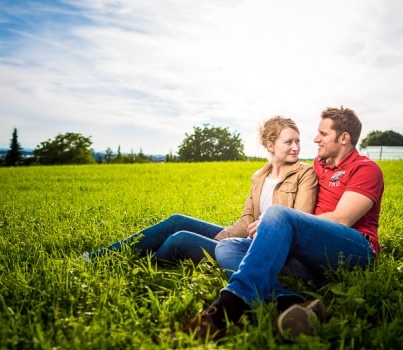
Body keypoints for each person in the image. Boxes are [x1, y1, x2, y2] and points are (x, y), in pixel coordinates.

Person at [182, 106, 384, 341]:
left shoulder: (366, 169)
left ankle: (226, 308)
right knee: (228, 247)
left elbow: (342, 219)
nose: (315, 139)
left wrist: (277, 221)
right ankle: (288, 302)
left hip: (354, 249)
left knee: (278, 214)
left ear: (344, 138)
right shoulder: (319, 164)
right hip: (313, 256)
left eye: (323, 134)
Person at [86, 116, 318, 268]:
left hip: (266, 247)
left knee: (181, 240)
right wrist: (221, 237)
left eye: (298, 141)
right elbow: (247, 218)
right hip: (244, 237)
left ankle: (143, 267)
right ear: (270, 145)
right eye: (289, 142)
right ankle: (100, 257)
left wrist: (252, 231)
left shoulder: (305, 174)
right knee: (177, 221)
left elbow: (300, 221)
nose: (296, 147)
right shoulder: (259, 176)